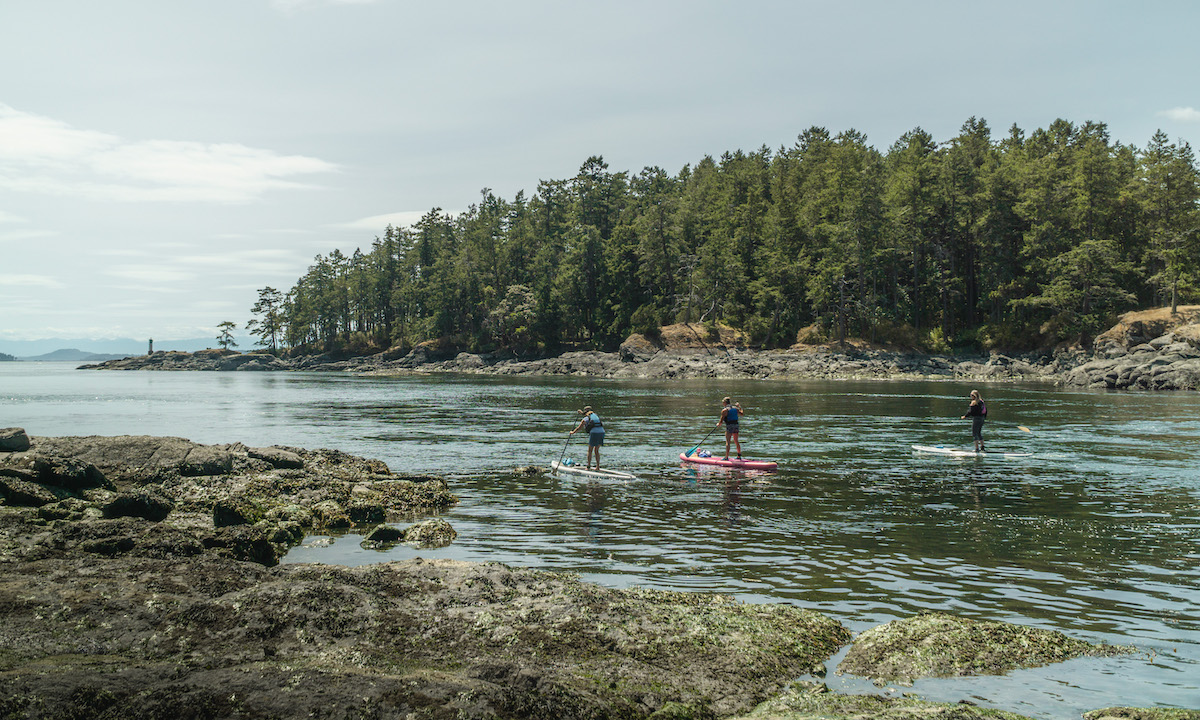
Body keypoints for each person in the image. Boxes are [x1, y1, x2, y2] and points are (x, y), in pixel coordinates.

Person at [570, 405, 605, 470]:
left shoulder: (585, 419)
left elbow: (579, 428)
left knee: (590, 450)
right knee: (596, 450)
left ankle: (588, 466)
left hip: (594, 433)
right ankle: (598, 467)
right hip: (602, 432)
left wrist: (572, 432)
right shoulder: (596, 416)